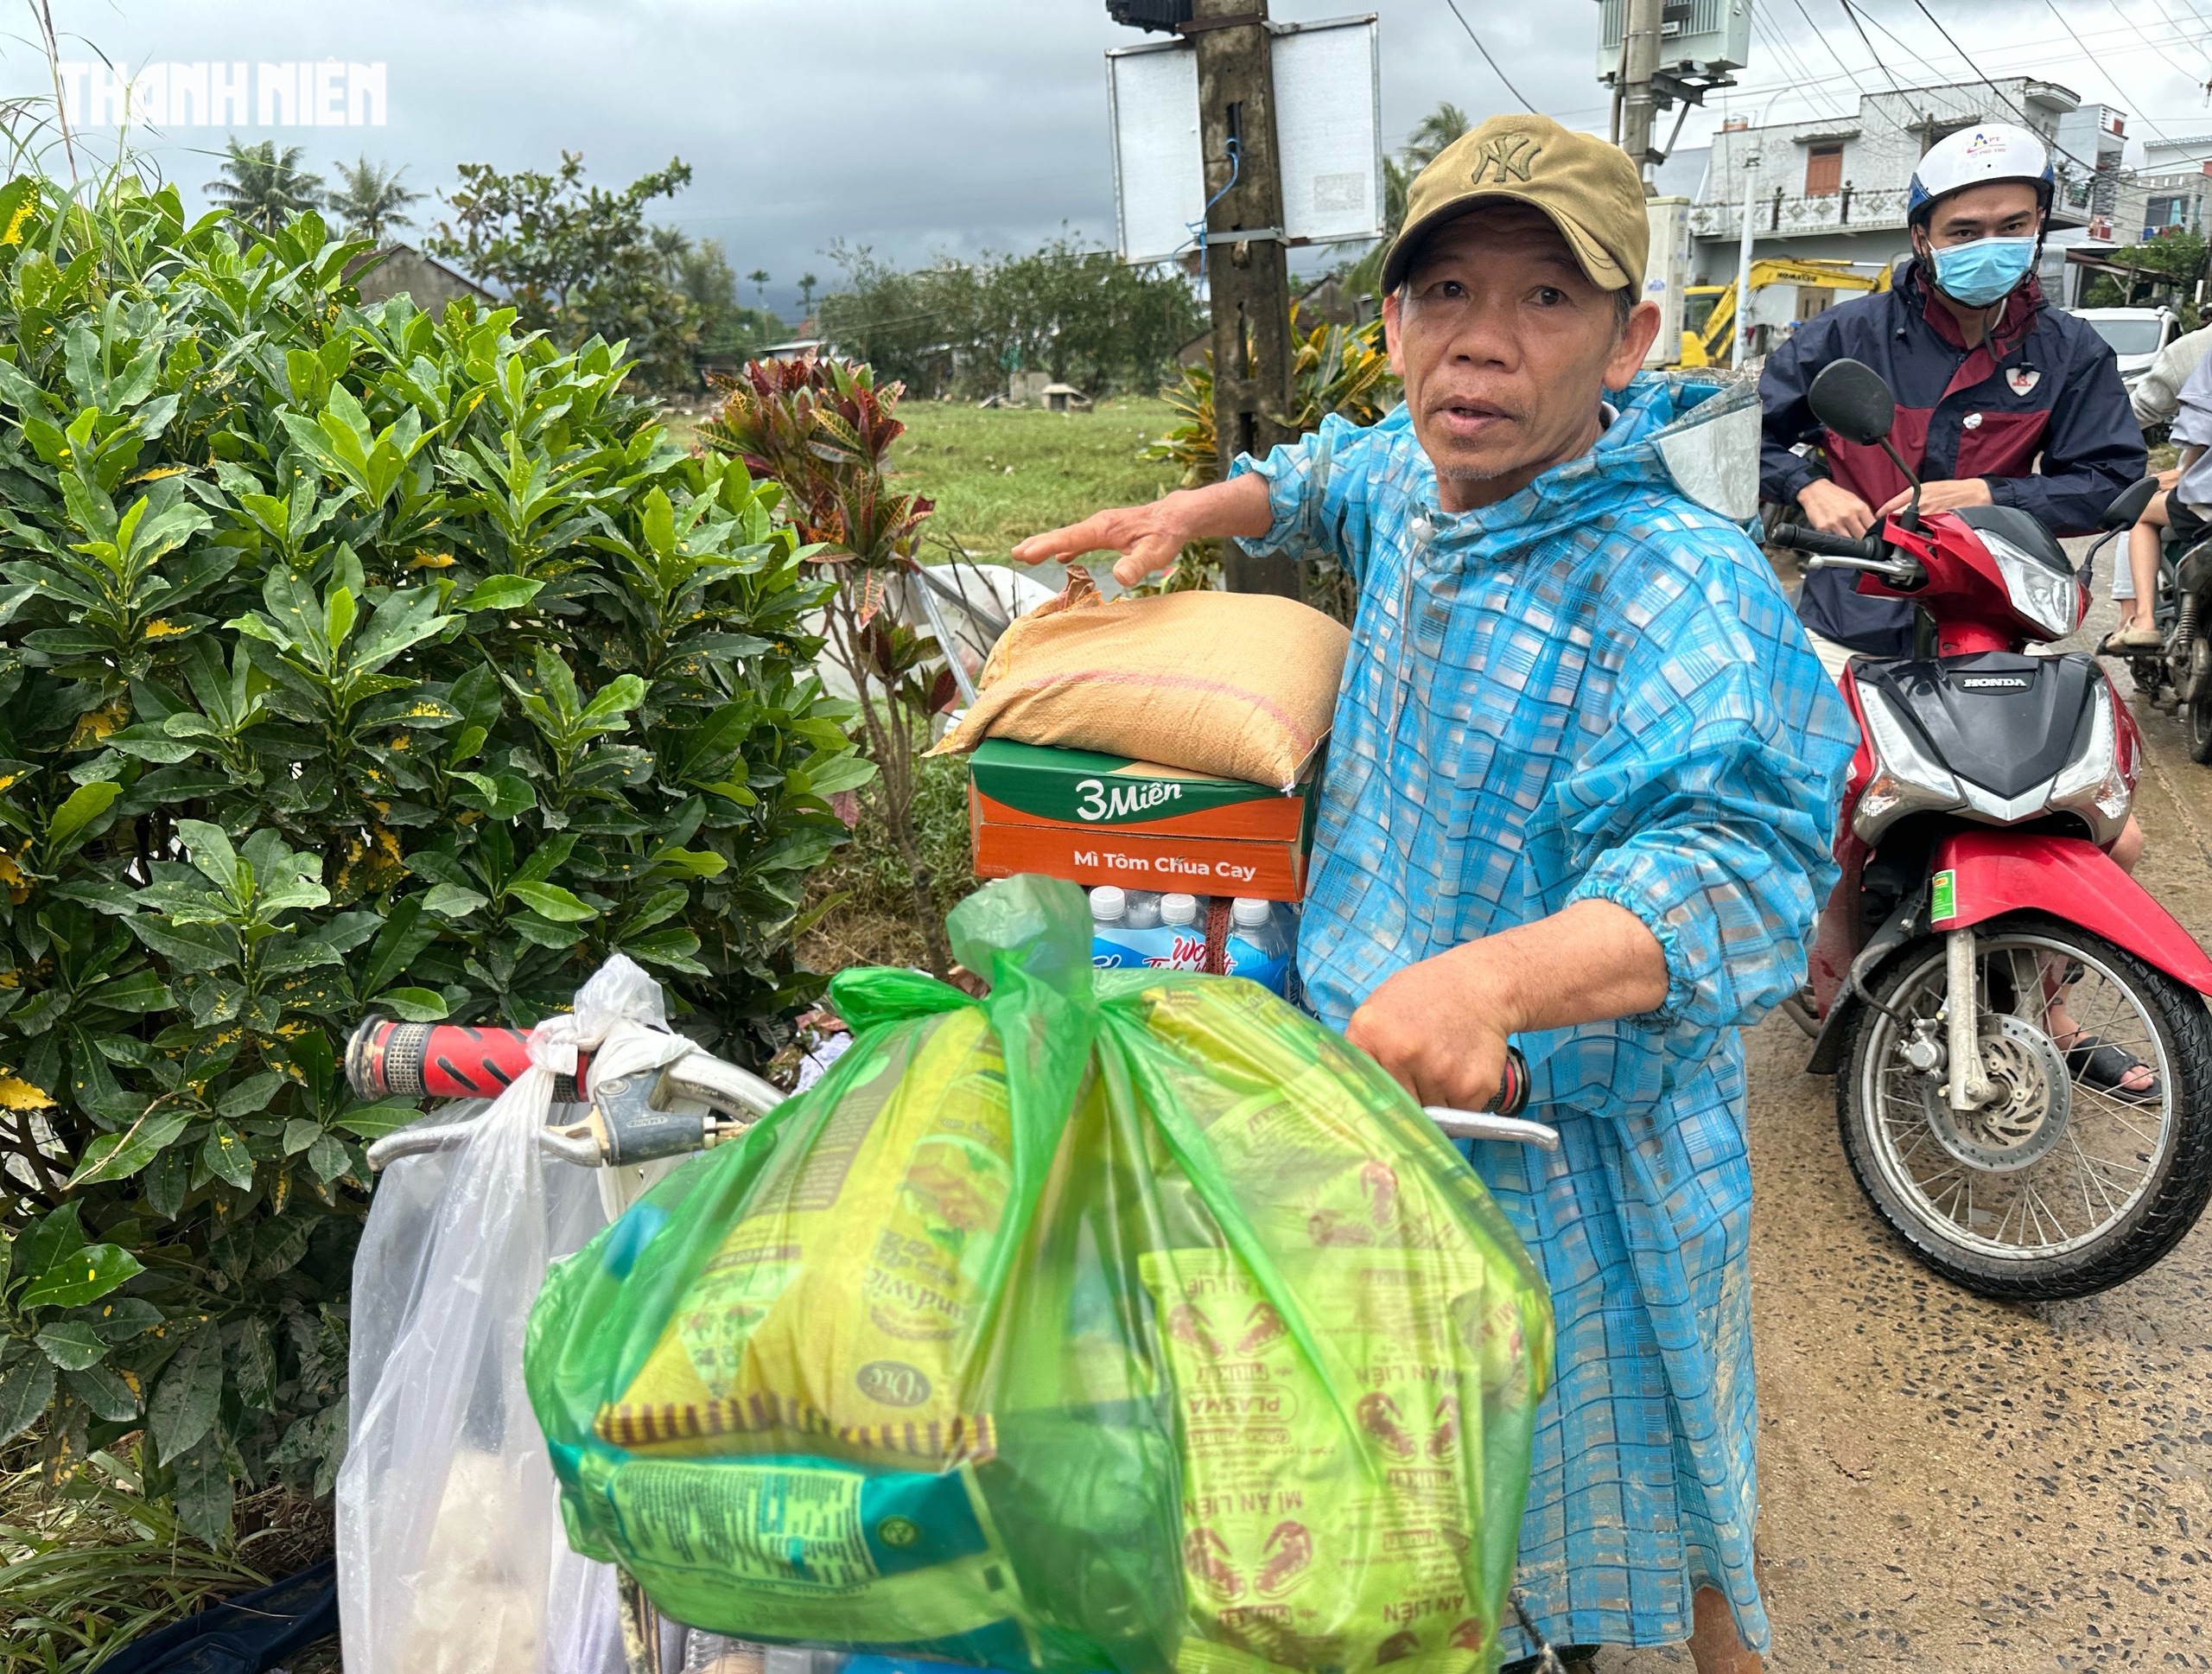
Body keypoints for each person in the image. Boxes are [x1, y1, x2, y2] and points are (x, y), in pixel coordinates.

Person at [1012, 114, 1857, 1674]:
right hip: (1371, 1081)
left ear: (1630, 341)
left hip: (1570, 1126)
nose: (1483, 341)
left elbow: (1730, 864)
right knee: (1422, 1472)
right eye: (1447, 292)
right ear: (1394, 324)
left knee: (1621, 1448)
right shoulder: (1418, 477)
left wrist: (1491, 984)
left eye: (1545, 300)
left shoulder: (1672, 578)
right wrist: (1191, 515)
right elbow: (1323, 477)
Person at [1760, 123, 2146, 665]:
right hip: (1848, 620)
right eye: (1964, 232)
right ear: (1922, 238)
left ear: (2038, 223)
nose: (1988, 247)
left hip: (1991, 624)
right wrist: (1808, 486)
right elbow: (1737, 440)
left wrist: (1990, 496)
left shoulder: (2071, 352)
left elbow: (2110, 481)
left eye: (2011, 226)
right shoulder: (1844, 337)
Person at [2113, 323, 2212, 639]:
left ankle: (2139, 620)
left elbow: (2197, 431)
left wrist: (2187, 476)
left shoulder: (2194, 349)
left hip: (2205, 496)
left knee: (2140, 512)